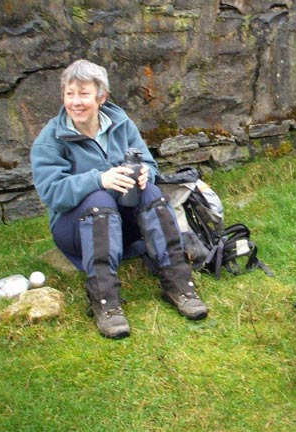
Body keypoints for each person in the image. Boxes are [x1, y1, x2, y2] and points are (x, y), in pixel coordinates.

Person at [30, 59, 208, 339]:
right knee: (99, 198)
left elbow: (150, 163)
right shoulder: (50, 139)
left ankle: (179, 284)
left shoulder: (121, 123)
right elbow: (52, 193)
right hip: (75, 229)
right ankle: (106, 303)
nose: (75, 102)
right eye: (69, 93)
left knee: (151, 192)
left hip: (122, 223)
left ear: (101, 97)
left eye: (83, 94)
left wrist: (144, 173)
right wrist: (98, 179)